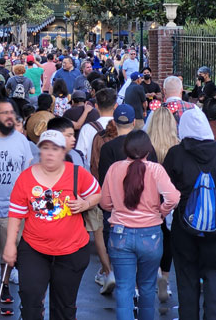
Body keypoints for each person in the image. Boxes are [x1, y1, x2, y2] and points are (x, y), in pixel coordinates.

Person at [2, 130, 101, 320]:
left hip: (72, 250)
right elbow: (16, 214)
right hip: (34, 249)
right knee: (30, 302)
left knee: (64, 307)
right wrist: (10, 245)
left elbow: (97, 193)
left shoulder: (77, 174)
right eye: (45, 148)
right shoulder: (26, 177)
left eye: (54, 149)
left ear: (63, 152)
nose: (49, 153)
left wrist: (85, 204)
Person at [100, 130, 180, 320]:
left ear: (125, 148)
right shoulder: (155, 169)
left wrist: (116, 207)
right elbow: (174, 197)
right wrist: (162, 211)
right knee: (147, 287)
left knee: (124, 289)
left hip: (120, 234)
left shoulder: (114, 169)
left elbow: (104, 203)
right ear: (148, 150)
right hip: (150, 236)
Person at [163, 108, 216, 319]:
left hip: (183, 225)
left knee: (186, 276)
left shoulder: (176, 154)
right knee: (213, 273)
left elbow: (166, 190)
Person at [0, 100, 36, 315]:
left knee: (8, 254)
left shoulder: (22, 140)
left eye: (11, 113)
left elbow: (27, 172)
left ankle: (4, 285)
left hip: (14, 209)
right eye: (4, 113)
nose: (9, 117)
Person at [75, 87, 117, 294]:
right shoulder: (122, 126)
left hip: (96, 187)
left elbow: (82, 158)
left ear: (97, 106)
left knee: (99, 231)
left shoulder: (88, 129)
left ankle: (107, 270)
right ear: (116, 105)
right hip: (121, 187)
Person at [144, 106, 179, 302]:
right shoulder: (177, 145)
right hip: (171, 201)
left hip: (150, 201)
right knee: (168, 240)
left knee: (151, 239)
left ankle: (154, 273)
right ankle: (165, 277)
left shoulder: (146, 147)